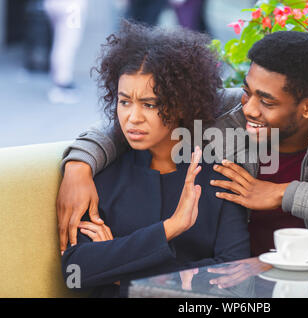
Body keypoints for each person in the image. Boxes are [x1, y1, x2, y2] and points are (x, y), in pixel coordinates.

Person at [57, 31, 308, 259]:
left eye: (267, 101)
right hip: (234, 283)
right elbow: (141, 119)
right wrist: (79, 165)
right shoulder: (225, 110)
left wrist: (284, 193)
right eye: (247, 91)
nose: (249, 109)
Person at [60, 21, 250, 297]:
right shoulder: (102, 176)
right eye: (124, 101)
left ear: (182, 103)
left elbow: (236, 280)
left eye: (149, 104)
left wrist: (120, 271)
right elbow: (75, 274)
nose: (132, 117)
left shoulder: (220, 177)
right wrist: (170, 229)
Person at [44, 0, 87, 104]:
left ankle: (59, 82)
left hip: (53, 4)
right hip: (72, 7)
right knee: (67, 44)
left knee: (60, 43)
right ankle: (62, 84)